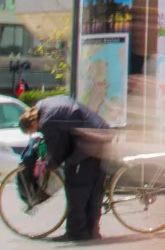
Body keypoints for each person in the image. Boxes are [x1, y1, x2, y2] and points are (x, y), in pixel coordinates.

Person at [20, 95, 112, 243]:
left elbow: (57, 149)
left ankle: (77, 232)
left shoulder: (46, 121)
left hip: (89, 142)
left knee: (76, 188)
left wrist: (49, 165)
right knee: (93, 189)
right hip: (99, 132)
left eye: (33, 131)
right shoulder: (42, 105)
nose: (37, 132)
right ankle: (91, 230)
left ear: (32, 124)